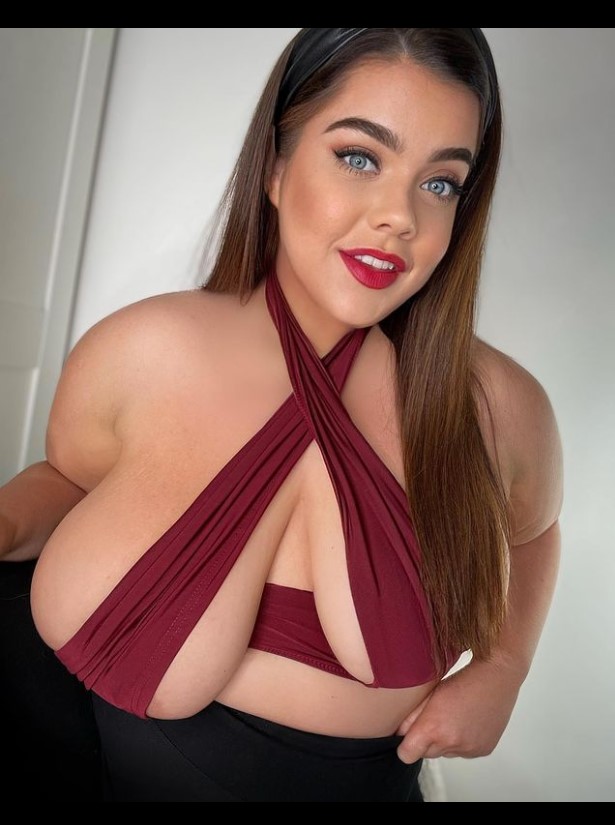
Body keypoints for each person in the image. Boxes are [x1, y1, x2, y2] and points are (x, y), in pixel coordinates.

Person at [0, 28, 564, 801]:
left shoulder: (493, 406)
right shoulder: (140, 348)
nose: (398, 215)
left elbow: (533, 532)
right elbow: (71, 481)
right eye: (359, 157)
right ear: (274, 165)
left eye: (439, 183)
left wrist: (505, 665)